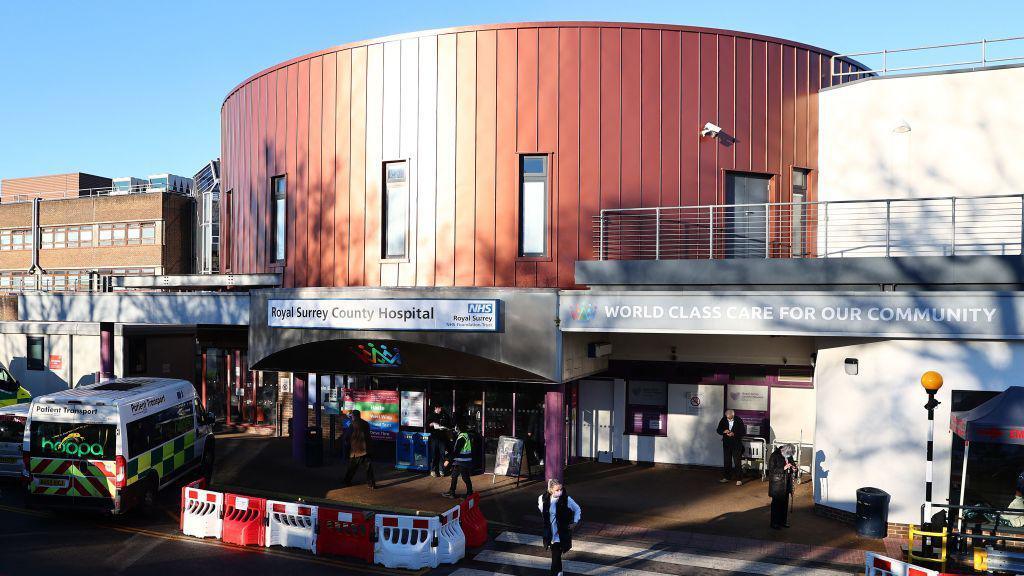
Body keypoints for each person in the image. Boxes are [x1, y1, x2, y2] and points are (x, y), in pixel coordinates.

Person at [538, 479, 582, 576]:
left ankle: (554, 573)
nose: (560, 492)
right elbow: (542, 510)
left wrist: (575, 522)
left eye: (560, 489)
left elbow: (577, 509)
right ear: (551, 490)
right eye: (557, 490)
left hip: (560, 534)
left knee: (555, 557)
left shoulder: (567, 500)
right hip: (550, 533)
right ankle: (560, 572)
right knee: (556, 556)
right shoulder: (542, 499)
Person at [342, 410, 376, 489]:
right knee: (368, 468)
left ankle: (347, 481)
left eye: (352, 416)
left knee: (352, 467)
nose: (351, 418)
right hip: (366, 449)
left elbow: (347, 435)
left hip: (357, 450)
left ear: (354, 416)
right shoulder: (365, 423)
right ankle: (371, 484)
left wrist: (346, 441)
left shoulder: (353, 424)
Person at [768, 444, 797, 529]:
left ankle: (782, 522)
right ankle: (774, 523)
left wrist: (794, 468)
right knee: (776, 505)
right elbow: (771, 470)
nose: (789, 456)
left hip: (786, 483)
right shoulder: (774, 455)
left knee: (784, 504)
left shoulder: (789, 455)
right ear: (784, 451)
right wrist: (783, 468)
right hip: (777, 484)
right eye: (788, 454)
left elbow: (792, 464)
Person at [442, 423, 474, 498]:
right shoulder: (465, 435)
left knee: (464, 477)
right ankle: (452, 492)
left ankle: (468, 492)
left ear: (459, 428)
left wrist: (448, 461)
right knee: (455, 475)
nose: (455, 429)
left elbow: (456, 451)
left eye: (456, 427)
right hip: (463, 460)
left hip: (461, 460)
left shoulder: (462, 437)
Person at [716, 409, 747, 485]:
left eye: (730, 418)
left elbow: (743, 432)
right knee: (727, 461)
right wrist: (724, 431)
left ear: (733, 415)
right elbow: (718, 430)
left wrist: (734, 434)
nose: (728, 419)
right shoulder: (723, 419)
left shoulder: (738, 420)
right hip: (726, 444)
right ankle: (727, 477)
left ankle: (739, 479)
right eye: (727, 418)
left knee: (737, 462)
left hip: (736, 444)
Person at [427, 404, 453, 477]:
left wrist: (446, 428)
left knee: (442, 454)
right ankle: (433, 470)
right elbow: (427, 425)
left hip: (443, 438)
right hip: (434, 438)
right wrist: (432, 424)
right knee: (434, 454)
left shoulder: (444, 415)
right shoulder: (431, 415)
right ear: (435, 408)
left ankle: (441, 470)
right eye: (439, 408)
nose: (440, 410)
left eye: (441, 408)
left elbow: (449, 425)